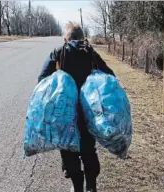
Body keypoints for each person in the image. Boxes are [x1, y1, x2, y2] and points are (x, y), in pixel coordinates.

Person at [38, 22, 115, 192]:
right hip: (88, 113)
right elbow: (110, 77)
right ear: (82, 38)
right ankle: (91, 186)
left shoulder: (58, 53)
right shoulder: (90, 53)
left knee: (68, 149)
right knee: (88, 148)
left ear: (66, 39)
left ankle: (77, 186)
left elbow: (42, 80)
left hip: (64, 114)